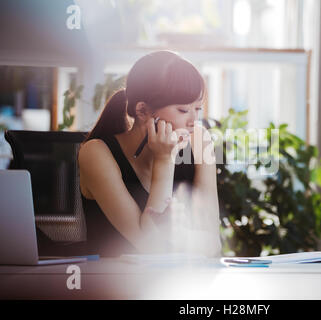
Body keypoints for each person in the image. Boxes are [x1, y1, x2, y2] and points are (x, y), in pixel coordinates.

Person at [78, 51, 221, 257]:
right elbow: (152, 247)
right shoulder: (96, 153)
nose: (193, 121)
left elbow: (213, 244)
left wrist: (179, 235)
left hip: (179, 284)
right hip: (112, 284)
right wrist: (164, 159)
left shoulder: (200, 140)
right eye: (182, 110)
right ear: (143, 111)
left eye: (197, 108)